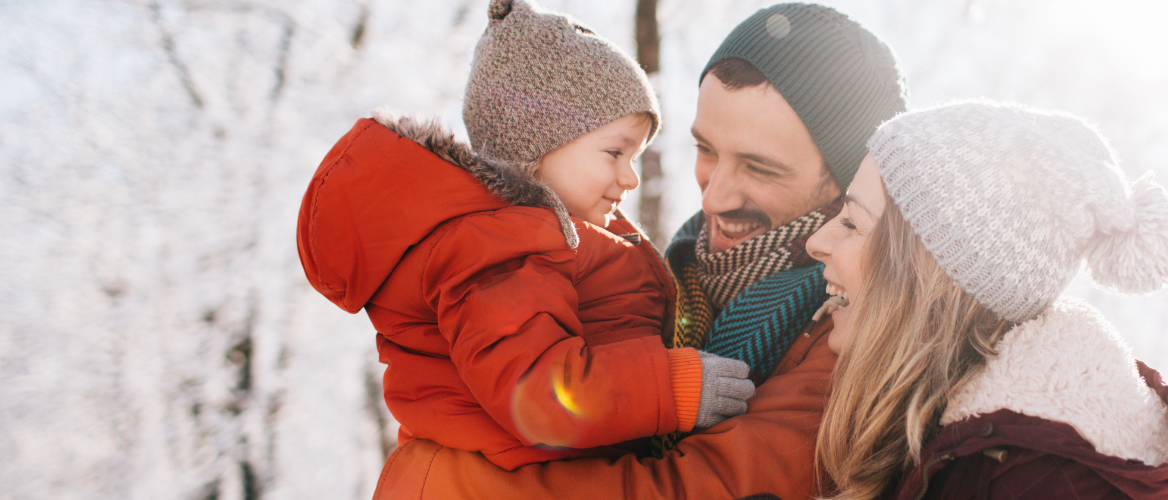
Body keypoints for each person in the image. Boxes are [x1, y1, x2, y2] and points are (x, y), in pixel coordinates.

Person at [368, 3, 910, 499]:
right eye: (705, 150)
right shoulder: (670, 275)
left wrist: (436, 479)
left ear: (846, 184)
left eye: (761, 168)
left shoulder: (850, 331)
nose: (715, 195)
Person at [295, 0, 756, 481]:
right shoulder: (497, 250)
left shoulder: (544, 236)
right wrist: (672, 387)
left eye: (636, 157)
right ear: (537, 144)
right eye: (616, 152)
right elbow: (538, 391)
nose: (630, 178)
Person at [806, 101, 1168, 499]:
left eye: (851, 223)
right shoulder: (969, 449)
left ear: (928, 277)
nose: (816, 241)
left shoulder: (1025, 482)